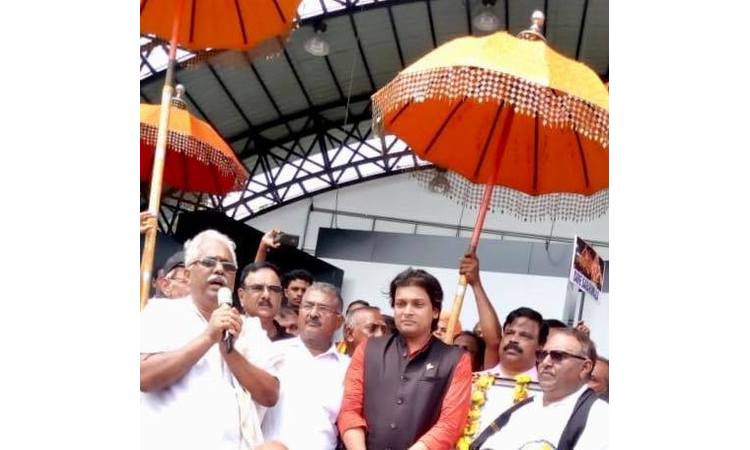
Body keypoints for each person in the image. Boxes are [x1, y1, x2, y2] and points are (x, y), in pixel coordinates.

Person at [140, 230, 280, 450]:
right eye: (208, 262)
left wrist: (229, 351)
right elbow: (143, 377)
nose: (219, 270)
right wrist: (208, 337)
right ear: (188, 274)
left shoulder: (250, 329)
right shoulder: (161, 312)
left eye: (228, 266)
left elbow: (270, 395)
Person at [338, 268, 472, 450]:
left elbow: (450, 424)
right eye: (400, 304)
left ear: (435, 311)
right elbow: (350, 410)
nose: (407, 311)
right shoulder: (368, 349)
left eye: (418, 304)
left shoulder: (455, 360)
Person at [476, 329, 608, 450]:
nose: (545, 362)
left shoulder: (601, 417)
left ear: (585, 367)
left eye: (558, 356)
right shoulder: (521, 409)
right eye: (542, 354)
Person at [261, 282, 349, 450]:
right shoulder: (273, 353)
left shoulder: (348, 368)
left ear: (339, 321)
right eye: (307, 306)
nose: (313, 314)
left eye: (323, 308)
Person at [459, 253, 503, 370]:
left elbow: (494, 342)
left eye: (465, 349)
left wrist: (476, 283)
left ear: (480, 360)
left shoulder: (483, 378)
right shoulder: (438, 374)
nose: (458, 353)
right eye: (454, 348)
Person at [238, 261, 292, 342]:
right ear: (241, 296)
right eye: (257, 288)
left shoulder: (292, 344)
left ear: (281, 297)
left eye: (273, 289)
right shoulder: (225, 337)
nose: (266, 295)